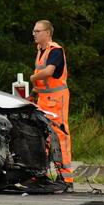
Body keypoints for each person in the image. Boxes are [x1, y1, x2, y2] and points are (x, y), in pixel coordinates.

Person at [29, 20, 73, 191]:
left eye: (37, 31)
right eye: (33, 31)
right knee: (42, 136)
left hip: (57, 99)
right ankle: (40, 174)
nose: (34, 34)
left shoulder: (55, 50)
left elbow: (48, 72)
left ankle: (66, 178)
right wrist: (33, 94)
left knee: (60, 136)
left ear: (47, 33)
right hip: (44, 99)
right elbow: (42, 78)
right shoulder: (41, 51)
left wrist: (33, 79)